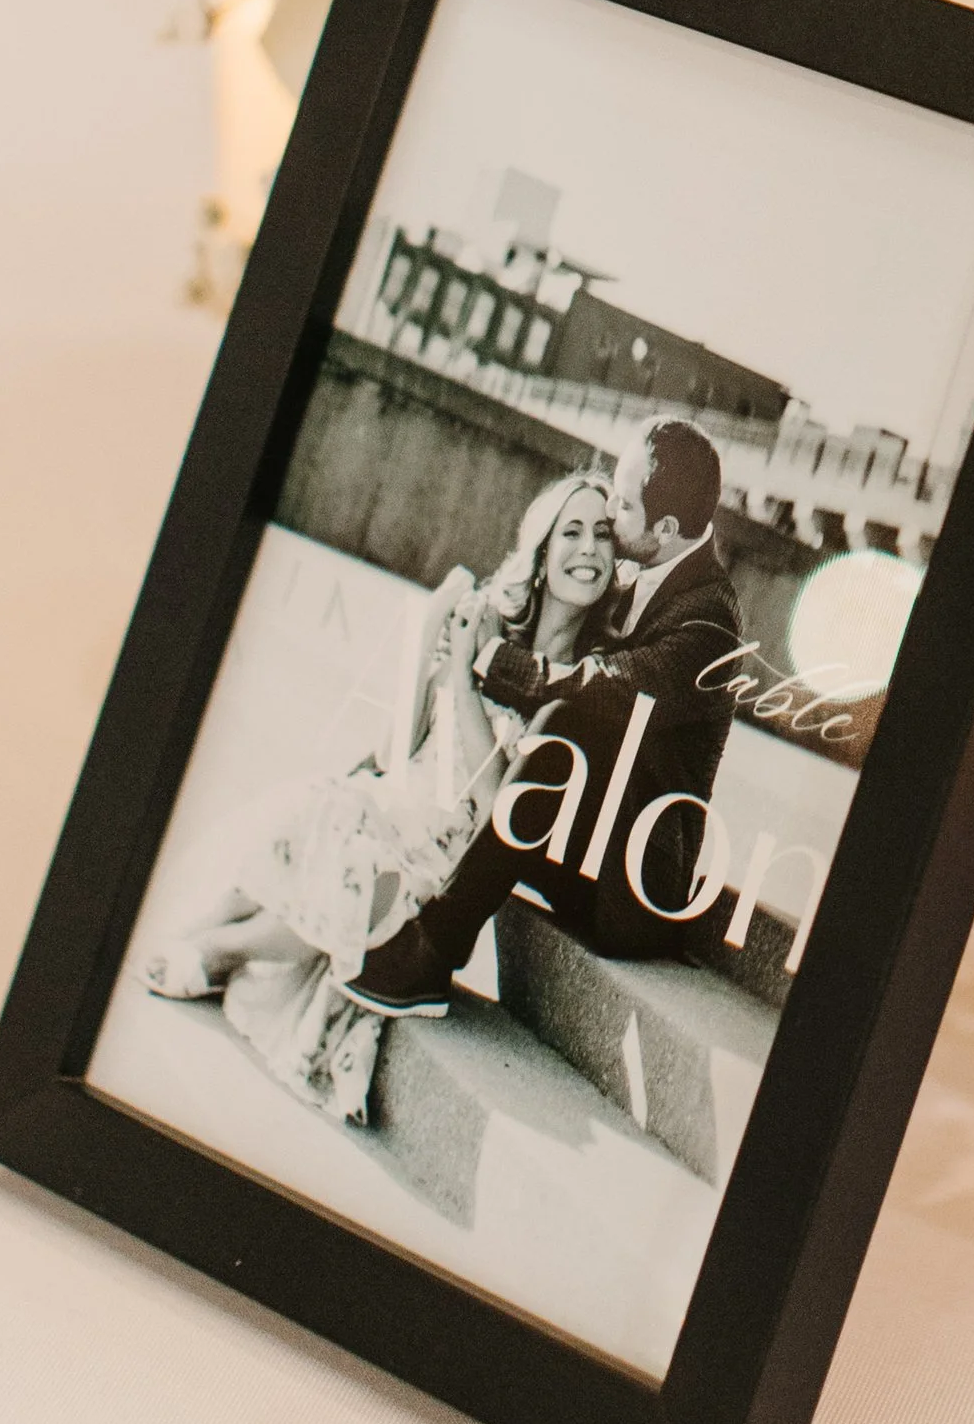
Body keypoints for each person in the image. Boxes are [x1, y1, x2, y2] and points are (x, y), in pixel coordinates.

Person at [138, 466, 621, 1120]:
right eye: (572, 531)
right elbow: (407, 742)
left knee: (354, 848)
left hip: (442, 850)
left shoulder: (582, 683)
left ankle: (220, 950)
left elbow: (493, 804)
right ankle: (208, 934)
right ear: (540, 551)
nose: (589, 548)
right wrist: (435, 639)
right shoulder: (488, 622)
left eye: (602, 535)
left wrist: (460, 677)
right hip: (397, 801)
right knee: (330, 800)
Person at [344, 415, 745, 1018]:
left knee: (572, 720)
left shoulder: (710, 622)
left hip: (634, 889)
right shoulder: (647, 567)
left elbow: (607, 687)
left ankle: (435, 950)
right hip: (577, 836)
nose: (609, 509)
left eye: (623, 505)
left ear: (664, 529)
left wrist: (493, 658)